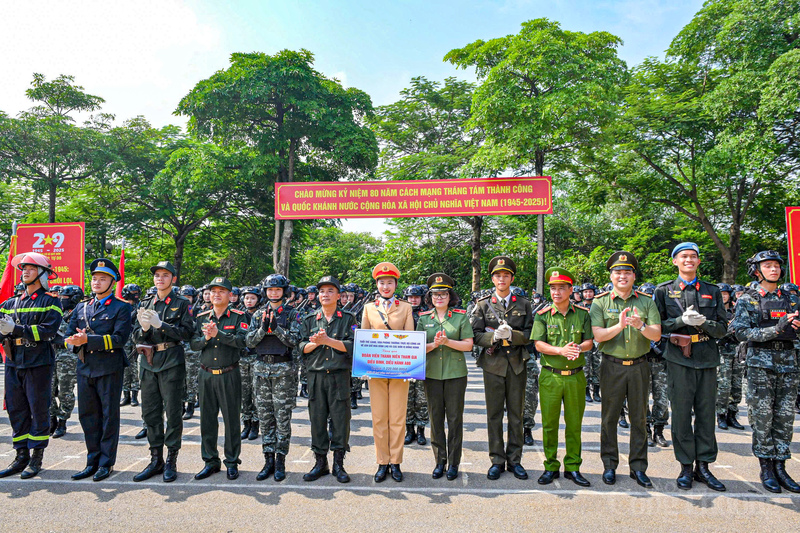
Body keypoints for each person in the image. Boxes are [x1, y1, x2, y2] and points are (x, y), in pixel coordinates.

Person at [654, 243, 728, 492]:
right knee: (682, 415)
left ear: (698, 262)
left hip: (707, 357)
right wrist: (679, 321)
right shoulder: (664, 291)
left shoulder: (711, 290)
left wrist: (705, 322)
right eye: (683, 256)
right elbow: (658, 327)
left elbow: (723, 328)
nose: (689, 260)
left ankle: (704, 467)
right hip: (679, 359)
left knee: (706, 415)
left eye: (693, 257)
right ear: (675, 261)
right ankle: (686, 466)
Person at [728, 251, 800, 493]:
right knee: (762, 418)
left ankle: (781, 466)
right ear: (757, 271)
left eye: (776, 266)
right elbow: (741, 333)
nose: (774, 270)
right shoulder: (749, 299)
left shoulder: (791, 298)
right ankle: (766, 467)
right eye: (768, 266)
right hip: (760, 365)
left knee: (785, 417)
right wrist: (776, 330)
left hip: (788, 364)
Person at [589, 251, 662, 488]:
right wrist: (620, 326)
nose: (622, 276)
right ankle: (609, 465)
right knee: (609, 418)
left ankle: (638, 467)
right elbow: (598, 336)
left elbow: (657, 334)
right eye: (618, 272)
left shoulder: (646, 301)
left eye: (627, 272)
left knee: (639, 418)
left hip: (640, 366)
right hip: (612, 366)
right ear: (611, 276)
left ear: (633, 275)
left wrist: (640, 325)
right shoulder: (600, 301)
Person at [64, 258, 132, 482]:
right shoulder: (82, 307)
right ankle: (91, 461)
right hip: (85, 367)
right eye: (94, 279)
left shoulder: (122, 308)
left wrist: (88, 340)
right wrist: (72, 340)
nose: (97, 282)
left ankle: (106, 463)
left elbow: (120, 339)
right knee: (87, 416)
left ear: (112, 282)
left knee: (108, 417)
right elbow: (66, 333)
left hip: (109, 368)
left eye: (102, 279)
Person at [471, 256, 534, 481]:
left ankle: (515, 460)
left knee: (516, 415)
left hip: (517, 364)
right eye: (498, 275)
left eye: (506, 275)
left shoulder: (524, 303)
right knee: (494, 415)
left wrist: (513, 335)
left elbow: (530, 335)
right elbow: (475, 335)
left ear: (512, 278)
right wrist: (492, 336)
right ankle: (497, 460)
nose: (502, 278)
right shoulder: (483, 304)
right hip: (493, 365)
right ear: (493, 279)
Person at [131, 261, 195, 483]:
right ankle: (155, 458)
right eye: (157, 275)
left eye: (165, 275)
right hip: (148, 361)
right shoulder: (145, 303)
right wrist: (145, 329)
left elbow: (186, 333)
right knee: (150, 412)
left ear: (173, 279)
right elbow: (135, 337)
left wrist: (161, 326)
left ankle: (171, 460)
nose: (160, 279)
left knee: (173, 412)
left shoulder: (181, 303)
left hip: (171, 361)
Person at [0, 252, 62, 479]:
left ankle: (36, 458)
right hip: (14, 361)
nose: (25, 272)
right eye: (23, 268)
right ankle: (20, 456)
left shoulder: (51, 301)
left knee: (38, 409)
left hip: (38, 361)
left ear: (43, 273)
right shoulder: (10, 302)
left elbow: (47, 331)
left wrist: (15, 329)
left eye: (31, 268)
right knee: (16, 409)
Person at [531, 268, 594, 487]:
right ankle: (550, 466)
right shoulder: (542, 315)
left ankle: (573, 467)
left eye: (561, 288)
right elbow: (538, 344)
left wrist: (577, 348)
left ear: (570, 290)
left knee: (574, 424)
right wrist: (560, 351)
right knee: (549, 424)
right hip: (551, 376)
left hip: (575, 377)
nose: (556, 292)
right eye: (552, 288)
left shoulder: (583, 314)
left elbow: (590, 341)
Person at [298, 276, 357, 484]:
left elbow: (352, 346)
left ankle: (339, 464)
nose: (325, 294)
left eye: (330, 291)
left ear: (339, 296)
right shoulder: (309, 319)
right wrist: (316, 343)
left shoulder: (348, 318)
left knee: (340, 420)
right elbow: (301, 348)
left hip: (339, 377)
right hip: (316, 377)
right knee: (317, 420)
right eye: (322, 291)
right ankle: (320, 462)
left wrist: (328, 341)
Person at [360, 262, 415, 483]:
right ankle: (382, 462)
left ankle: (396, 461)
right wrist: (363, 367)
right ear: (377, 284)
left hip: (400, 369)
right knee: (380, 417)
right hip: (376, 369)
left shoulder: (405, 308)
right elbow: (364, 337)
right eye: (382, 282)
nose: (385, 286)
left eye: (389, 282)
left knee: (398, 418)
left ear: (395, 285)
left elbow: (410, 337)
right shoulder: (368, 308)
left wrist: (411, 367)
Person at [191, 277, 249, 480]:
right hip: (206, 373)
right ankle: (210, 461)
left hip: (229, 373)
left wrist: (219, 334)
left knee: (232, 420)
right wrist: (206, 337)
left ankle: (232, 461)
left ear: (230, 295)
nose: (216, 294)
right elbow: (194, 345)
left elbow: (242, 342)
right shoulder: (201, 317)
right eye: (213, 291)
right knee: (207, 420)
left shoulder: (238, 316)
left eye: (221, 291)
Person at [417, 273, 473, 481]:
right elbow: (417, 347)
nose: (439, 297)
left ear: (450, 297)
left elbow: (468, 344)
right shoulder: (424, 319)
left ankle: (454, 462)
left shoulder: (460, 317)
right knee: (436, 419)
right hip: (431, 375)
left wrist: (448, 342)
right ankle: (440, 461)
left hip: (455, 375)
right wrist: (434, 345)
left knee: (455, 419)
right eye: (435, 294)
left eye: (443, 294)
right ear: (430, 297)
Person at [246, 274, 299, 482]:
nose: (274, 293)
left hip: (283, 370)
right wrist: (262, 329)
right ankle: (267, 460)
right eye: (270, 290)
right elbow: (249, 341)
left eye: (277, 290)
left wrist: (277, 329)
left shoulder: (293, 314)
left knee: (282, 418)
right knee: (265, 417)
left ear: (284, 291)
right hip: (261, 370)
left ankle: (280, 461)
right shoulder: (258, 314)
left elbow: (294, 340)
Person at [50, 285, 84, 439]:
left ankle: (62, 421)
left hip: (68, 356)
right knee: (47, 390)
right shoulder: (56, 312)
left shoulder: (81, 313)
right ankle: (52, 418)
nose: (62, 300)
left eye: (65, 298)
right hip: (51, 353)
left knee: (65, 391)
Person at [715, 283, 745, 431]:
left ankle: (732, 414)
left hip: (737, 350)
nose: (723, 296)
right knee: (724, 384)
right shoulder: (715, 312)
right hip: (722, 351)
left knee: (737, 385)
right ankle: (721, 414)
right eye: (721, 294)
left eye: (726, 293)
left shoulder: (736, 311)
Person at [404, 284, 429, 446]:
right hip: (405, 361)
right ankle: (409, 430)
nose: (413, 299)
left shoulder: (428, 314)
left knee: (422, 398)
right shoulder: (400, 313)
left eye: (416, 297)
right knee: (406, 398)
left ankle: (421, 431)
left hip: (423, 360)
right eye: (410, 297)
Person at [240, 286, 262, 441]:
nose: (249, 301)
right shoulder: (239, 315)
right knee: (243, 394)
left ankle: (255, 424)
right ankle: (246, 423)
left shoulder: (262, 315)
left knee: (256, 393)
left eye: (252, 298)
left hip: (256, 358)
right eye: (247, 298)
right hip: (241, 359)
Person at [119, 284, 142, 408]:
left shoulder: (140, 306)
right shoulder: (122, 306)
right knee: (125, 368)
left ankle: (134, 395)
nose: (135, 294)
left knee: (134, 368)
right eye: (133, 291)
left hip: (136, 340)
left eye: (137, 291)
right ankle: (125, 395)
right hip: (124, 340)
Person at [180, 284, 200, 420]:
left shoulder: (198, 311)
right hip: (179, 348)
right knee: (180, 379)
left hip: (193, 350)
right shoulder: (178, 309)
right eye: (184, 296)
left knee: (192, 379)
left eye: (189, 297)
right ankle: (181, 404)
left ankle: (191, 405)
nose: (186, 299)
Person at [580, 283, 602, 403]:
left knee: (598, 366)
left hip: (597, 340)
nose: (588, 294)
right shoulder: (578, 307)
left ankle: (597, 391)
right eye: (585, 292)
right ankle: (586, 391)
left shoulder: (598, 306)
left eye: (590, 291)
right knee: (585, 367)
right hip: (584, 341)